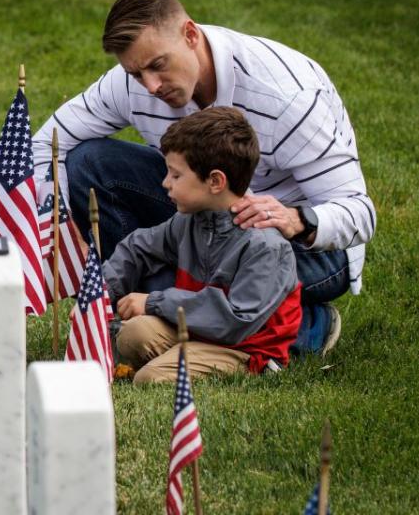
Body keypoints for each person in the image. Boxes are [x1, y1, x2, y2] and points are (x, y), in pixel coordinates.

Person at [31, 0, 376, 355]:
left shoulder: (286, 97)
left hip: (302, 251)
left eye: (158, 65)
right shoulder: (133, 85)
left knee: (213, 276)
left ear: (191, 35)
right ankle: (152, 308)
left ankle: (299, 327)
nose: (150, 86)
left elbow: (361, 214)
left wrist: (295, 219)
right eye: (136, 73)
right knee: (89, 163)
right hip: (202, 227)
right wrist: (59, 220)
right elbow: (43, 145)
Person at [103, 107, 301, 384]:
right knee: (131, 336)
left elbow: (236, 320)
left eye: (175, 175)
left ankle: (254, 367)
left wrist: (153, 302)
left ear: (215, 181)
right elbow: (139, 247)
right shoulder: (189, 221)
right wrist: (100, 293)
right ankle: (179, 355)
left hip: (242, 347)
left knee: (150, 378)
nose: (165, 183)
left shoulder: (265, 244)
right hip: (197, 330)